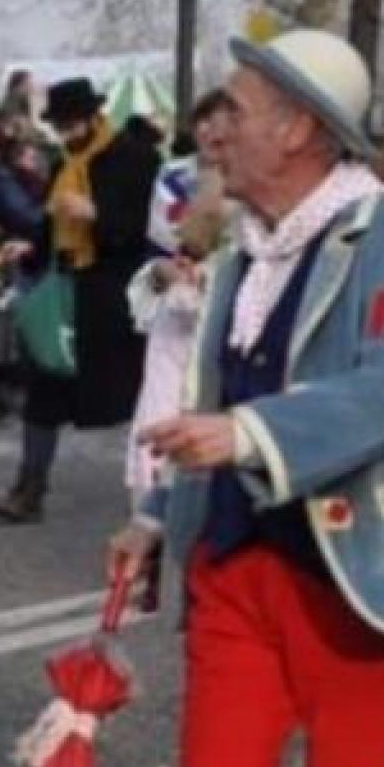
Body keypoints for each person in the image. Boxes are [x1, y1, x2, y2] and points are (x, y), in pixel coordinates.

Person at [109, 29, 384, 767]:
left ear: (298, 127)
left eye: (235, 108)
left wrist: (253, 433)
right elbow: (208, 394)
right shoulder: (240, 248)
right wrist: (153, 516)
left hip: (362, 584)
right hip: (236, 571)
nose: (214, 128)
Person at [0, 78, 158, 523]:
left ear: (92, 117)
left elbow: (141, 229)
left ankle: (159, 494)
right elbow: (51, 224)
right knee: (45, 385)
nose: (64, 134)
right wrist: (31, 250)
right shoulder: (66, 162)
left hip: (113, 296)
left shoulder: (133, 157)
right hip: (66, 291)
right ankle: (28, 489)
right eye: (59, 126)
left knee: (137, 393)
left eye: (70, 124)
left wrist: (95, 214)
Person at [125, 89, 231, 502]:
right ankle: (152, 507)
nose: (209, 131)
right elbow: (165, 236)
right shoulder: (173, 175)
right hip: (177, 306)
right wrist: (167, 269)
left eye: (220, 121)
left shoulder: (255, 180)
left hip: (228, 309)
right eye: (202, 121)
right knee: (162, 406)